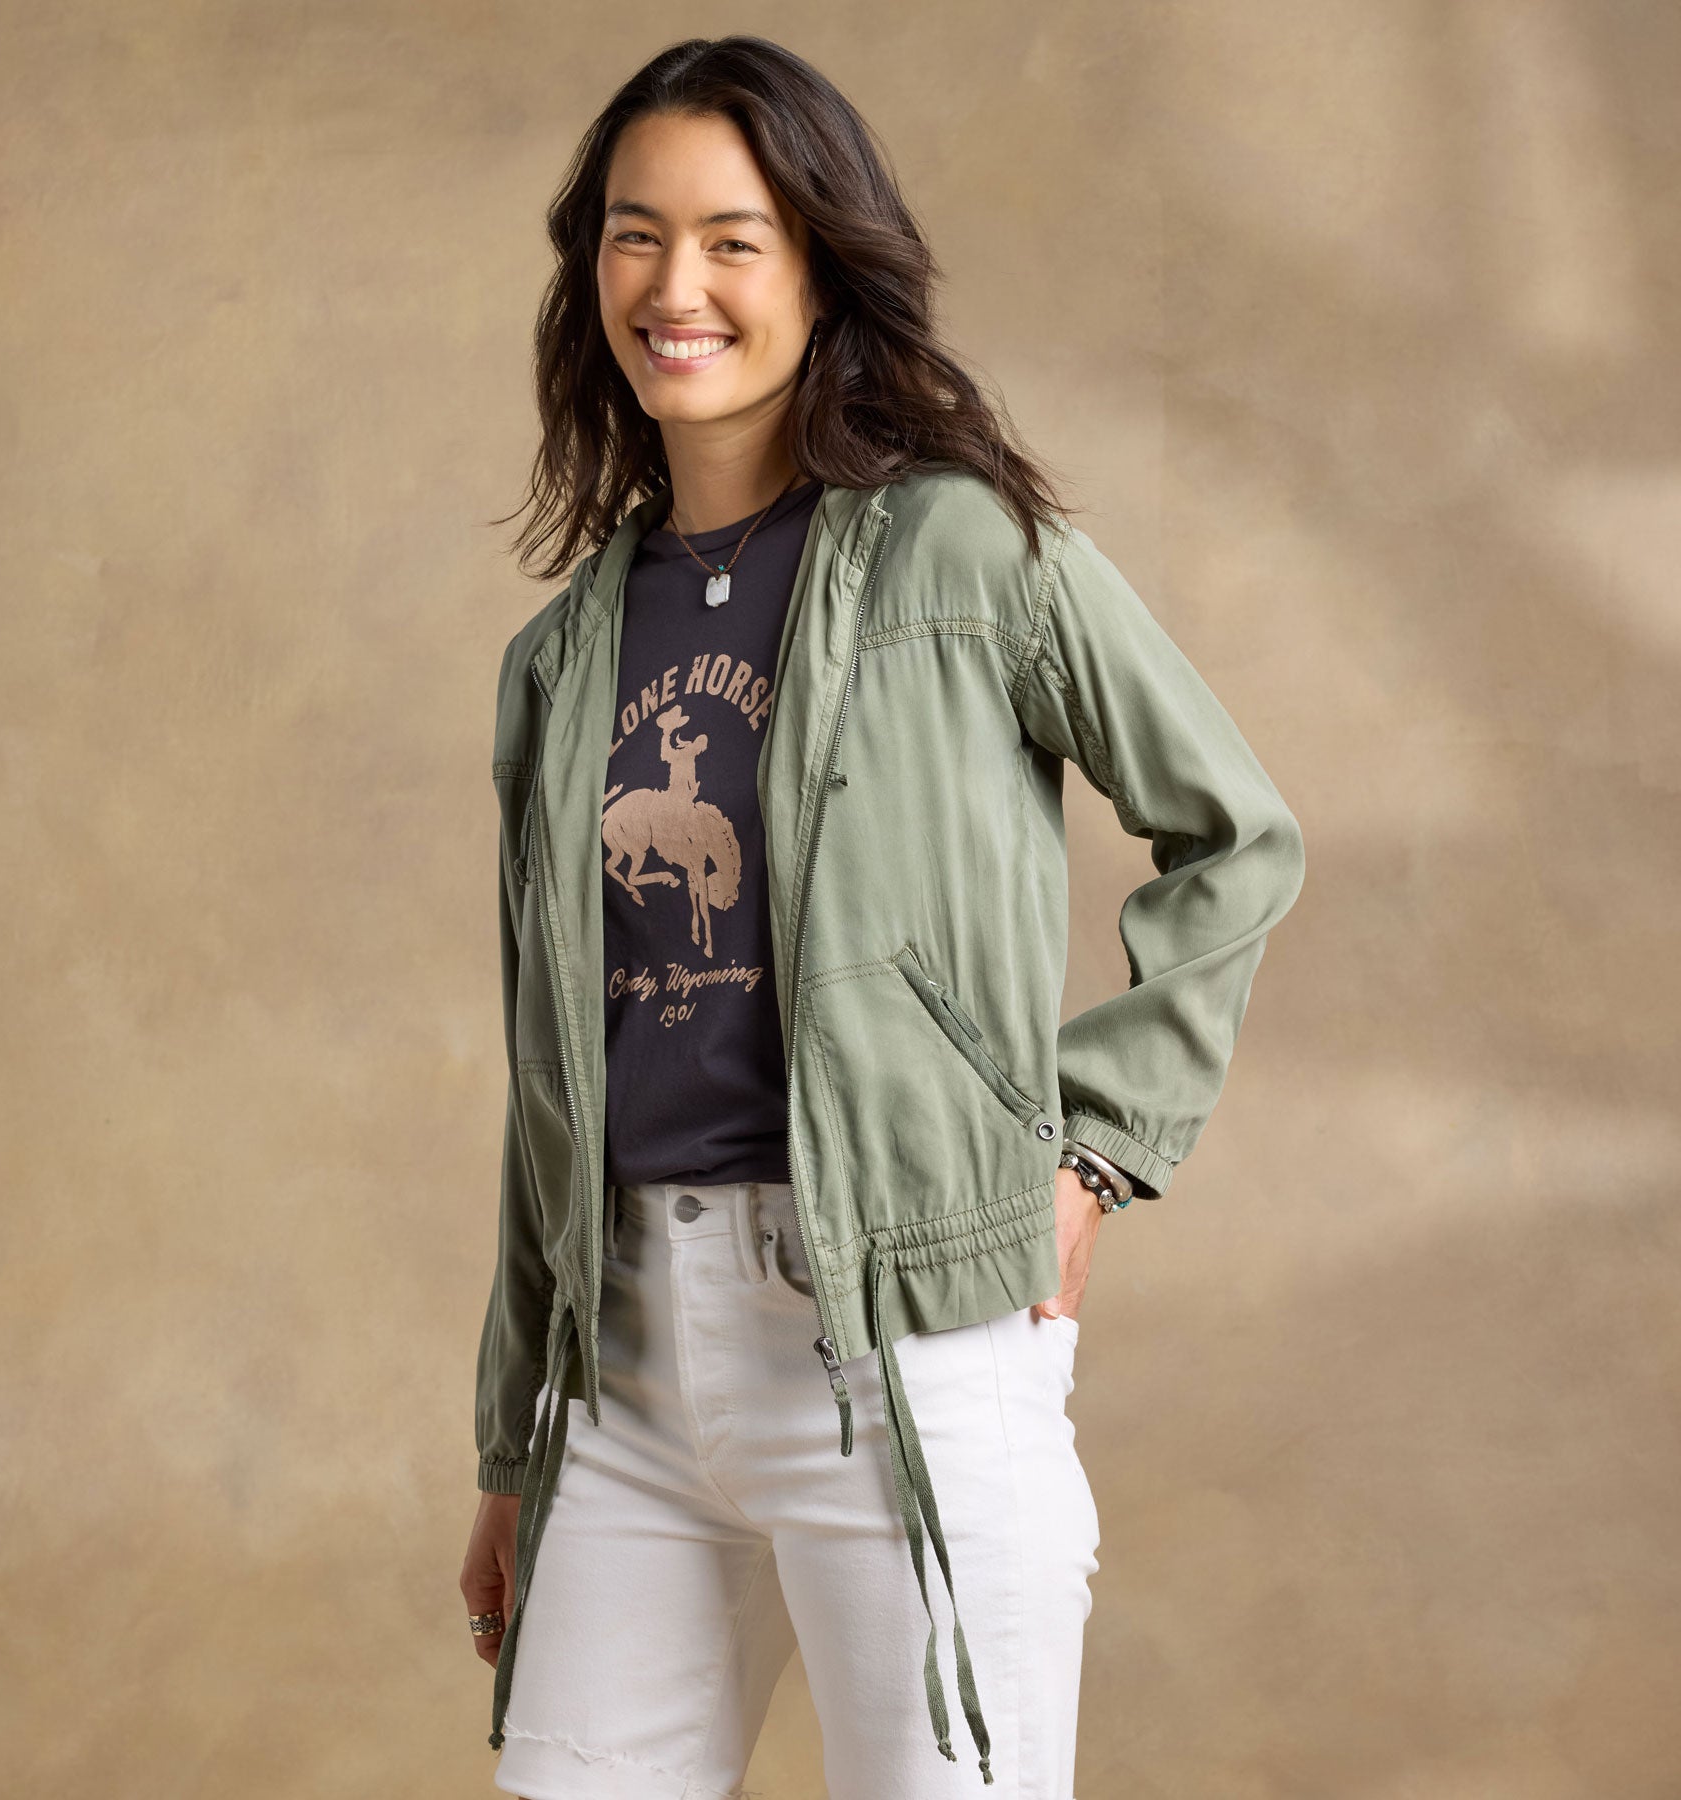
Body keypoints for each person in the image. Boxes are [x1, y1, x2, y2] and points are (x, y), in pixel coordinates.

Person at [459, 35, 1305, 1800]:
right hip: (622, 1370)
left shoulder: (961, 554)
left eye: (733, 239)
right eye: (633, 235)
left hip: (907, 1348)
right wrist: (515, 1441)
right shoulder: (562, 657)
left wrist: (1095, 1151)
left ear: (823, 264)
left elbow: (1237, 837)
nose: (674, 287)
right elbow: (556, 1072)